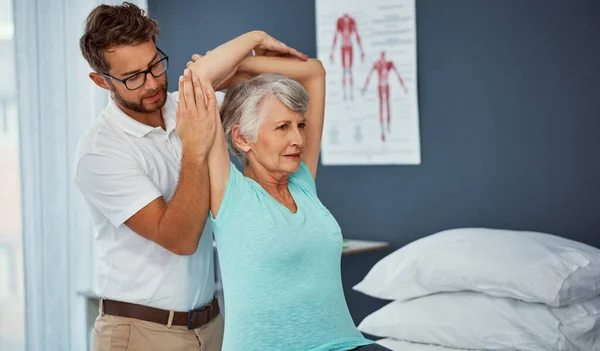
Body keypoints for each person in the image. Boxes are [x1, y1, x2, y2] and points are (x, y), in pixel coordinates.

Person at [74, 2, 306, 350]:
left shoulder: (182, 105)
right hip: (141, 332)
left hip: (209, 323)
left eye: (155, 65)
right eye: (133, 77)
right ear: (100, 81)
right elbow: (180, 238)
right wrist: (195, 149)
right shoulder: (101, 151)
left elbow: (266, 98)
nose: (152, 83)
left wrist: (253, 47)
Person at [183, 36, 392, 351]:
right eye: (282, 127)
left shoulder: (302, 181)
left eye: (301, 125)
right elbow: (199, 75)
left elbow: (315, 72)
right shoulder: (232, 193)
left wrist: (242, 70)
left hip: (347, 346)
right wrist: (254, 38)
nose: (298, 139)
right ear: (242, 139)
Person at [361, 51, 408, 142]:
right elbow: (369, 76)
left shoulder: (389, 64)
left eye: (384, 56)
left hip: (386, 85)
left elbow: (398, 75)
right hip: (380, 85)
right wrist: (365, 87)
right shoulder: (377, 64)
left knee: (387, 105)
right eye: (382, 56)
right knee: (381, 106)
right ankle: (383, 130)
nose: (383, 58)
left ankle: (388, 126)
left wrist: (403, 87)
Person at [330, 13, 365, 101]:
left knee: (350, 70)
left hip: (349, 47)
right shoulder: (340, 22)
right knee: (344, 70)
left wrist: (361, 51)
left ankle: (351, 94)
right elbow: (336, 36)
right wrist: (332, 52)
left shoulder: (352, 22)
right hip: (343, 47)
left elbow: (357, 36)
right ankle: (345, 94)